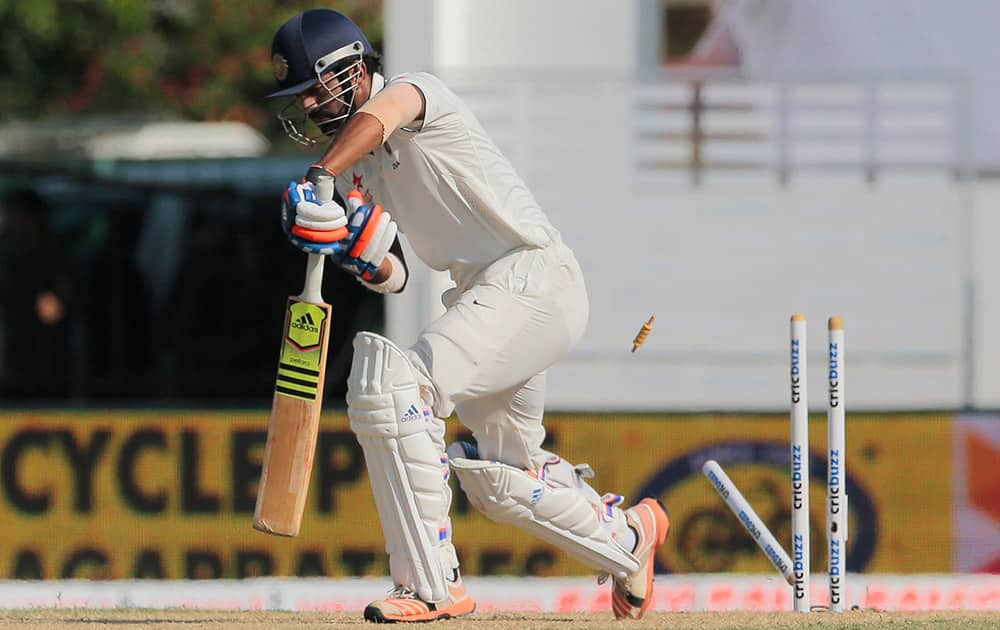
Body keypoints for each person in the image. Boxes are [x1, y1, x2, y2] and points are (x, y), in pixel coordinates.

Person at [267, 9, 670, 623]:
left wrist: (321, 174)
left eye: (314, 88)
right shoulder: (357, 168)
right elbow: (396, 274)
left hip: (533, 276)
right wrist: (354, 246)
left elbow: (382, 118)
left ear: (347, 68)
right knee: (501, 479)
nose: (310, 106)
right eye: (301, 98)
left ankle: (429, 587)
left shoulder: (415, 92)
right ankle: (631, 541)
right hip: (491, 299)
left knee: (394, 386)